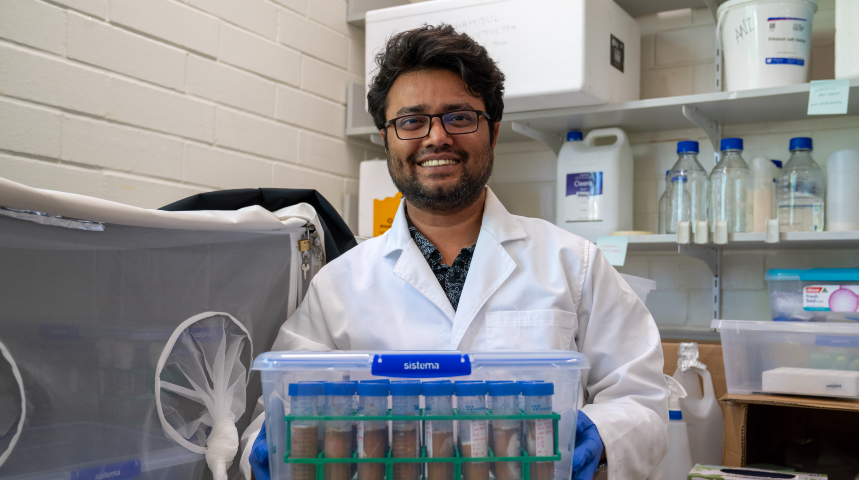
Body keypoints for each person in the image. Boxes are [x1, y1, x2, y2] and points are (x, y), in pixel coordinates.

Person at [245, 24, 668, 479]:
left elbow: (642, 397)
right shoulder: (338, 285)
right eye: (411, 121)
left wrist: (601, 433)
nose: (436, 137)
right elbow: (275, 408)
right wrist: (265, 444)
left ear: (494, 132)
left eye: (460, 117)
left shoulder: (573, 263)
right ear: (386, 139)